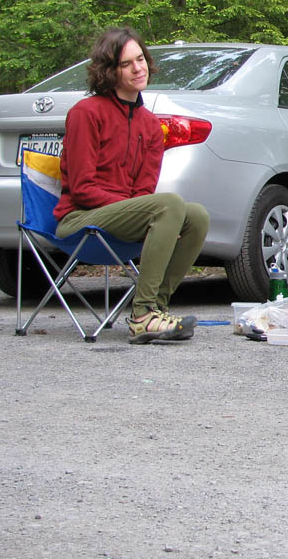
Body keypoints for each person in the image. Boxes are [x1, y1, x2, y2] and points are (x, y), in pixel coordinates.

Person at [53, 26, 210, 344]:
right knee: (170, 204)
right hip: (80, 218)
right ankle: (141, 316)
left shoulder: (151, 126)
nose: (138, 68)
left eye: (140, 59)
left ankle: (156, 308)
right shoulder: (86, 113)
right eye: (127, 64)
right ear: (109, 71)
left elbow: (143, 194)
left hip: (120, 218)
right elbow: (82, 188)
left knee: (196, 215)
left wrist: (155, 215)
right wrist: (142, 209)